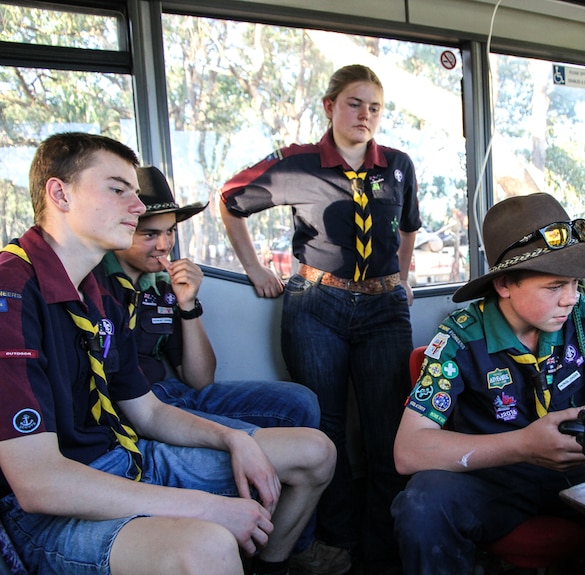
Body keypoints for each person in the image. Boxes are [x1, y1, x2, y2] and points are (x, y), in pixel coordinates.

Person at [0, 132, 336, 575]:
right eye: (119, 190)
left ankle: (271, 568)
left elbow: (150, 413)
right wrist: (203, 508)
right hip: (54, 506)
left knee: (316, 453)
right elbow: (38, 483)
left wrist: (233, 438)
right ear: (60, 193)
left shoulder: (96, 288)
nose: (138, 207)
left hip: (126, 457)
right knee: (207, 546)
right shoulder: (12, 291)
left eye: (136, 195)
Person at [96, 165, 348, 575]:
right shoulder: (97, 286)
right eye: (150, 234)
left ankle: (294, 542)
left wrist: (188, 304)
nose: (164, 245)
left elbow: (199, 378)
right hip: (142, 405)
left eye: (170, 232)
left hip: (175, 390)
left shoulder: (163, 283)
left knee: (300, 402)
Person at [219, 64, 420, 574]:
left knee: (386, 430)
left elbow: (408, 228)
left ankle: (384, 548)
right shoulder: (297, 163)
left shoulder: (397, 165)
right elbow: (230, 200)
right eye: (355, 103)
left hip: (383, 309)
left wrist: (404, 273)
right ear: (330, 106)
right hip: (316, 307)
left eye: (374, 107)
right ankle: (336, 544)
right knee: (325, 432)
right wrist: (252, 267)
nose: (365, 115)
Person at [390, 192, 585, 574]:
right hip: (498, 478)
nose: (570, 299)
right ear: (505, 284)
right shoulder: (461, 337)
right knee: (423, 506)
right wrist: (524, 445)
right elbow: (408, 451)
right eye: (554, 286)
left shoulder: (583, 319)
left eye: (576, 284)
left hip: (580, 469)